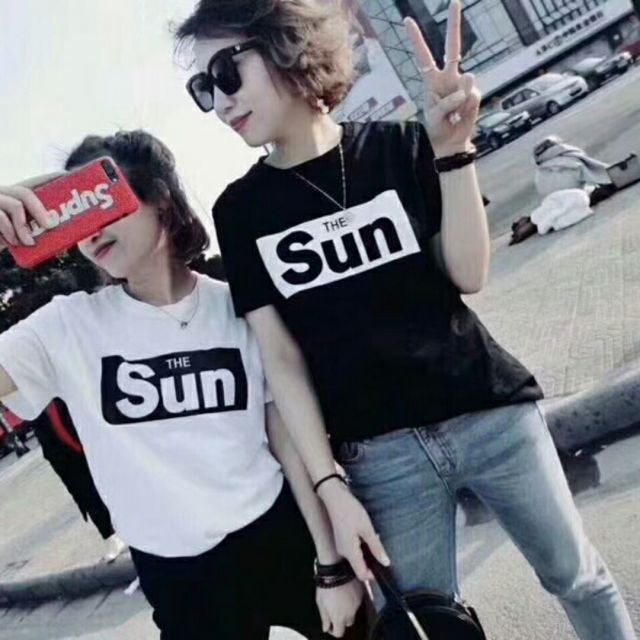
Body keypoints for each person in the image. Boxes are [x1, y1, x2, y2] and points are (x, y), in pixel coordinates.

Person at [175, 1, 636, 637]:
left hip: (489, 413)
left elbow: (467, 273)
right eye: (204, 88)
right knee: (419, 627)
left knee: (577, 577)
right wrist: (330, 485)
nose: (220, 102)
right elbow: (280, 359)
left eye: (227, 72)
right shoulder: (241, 211)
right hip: (379, 459)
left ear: (288, 46)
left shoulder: (399, 147)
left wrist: (454, 152)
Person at [0, 130, 376, 639]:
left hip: (279, 540)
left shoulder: (236, 305)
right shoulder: (66, 327)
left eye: (101, 204)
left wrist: (331, 566)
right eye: (75, 216)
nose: (90, 232)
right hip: (177, 580)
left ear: (159, 198)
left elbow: (286, 440)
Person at [30, 399, 127, 563]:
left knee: (107, 485)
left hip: (82, 441)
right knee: (87, 495)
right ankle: (111, 536)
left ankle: (124, 528)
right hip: (64, 453)